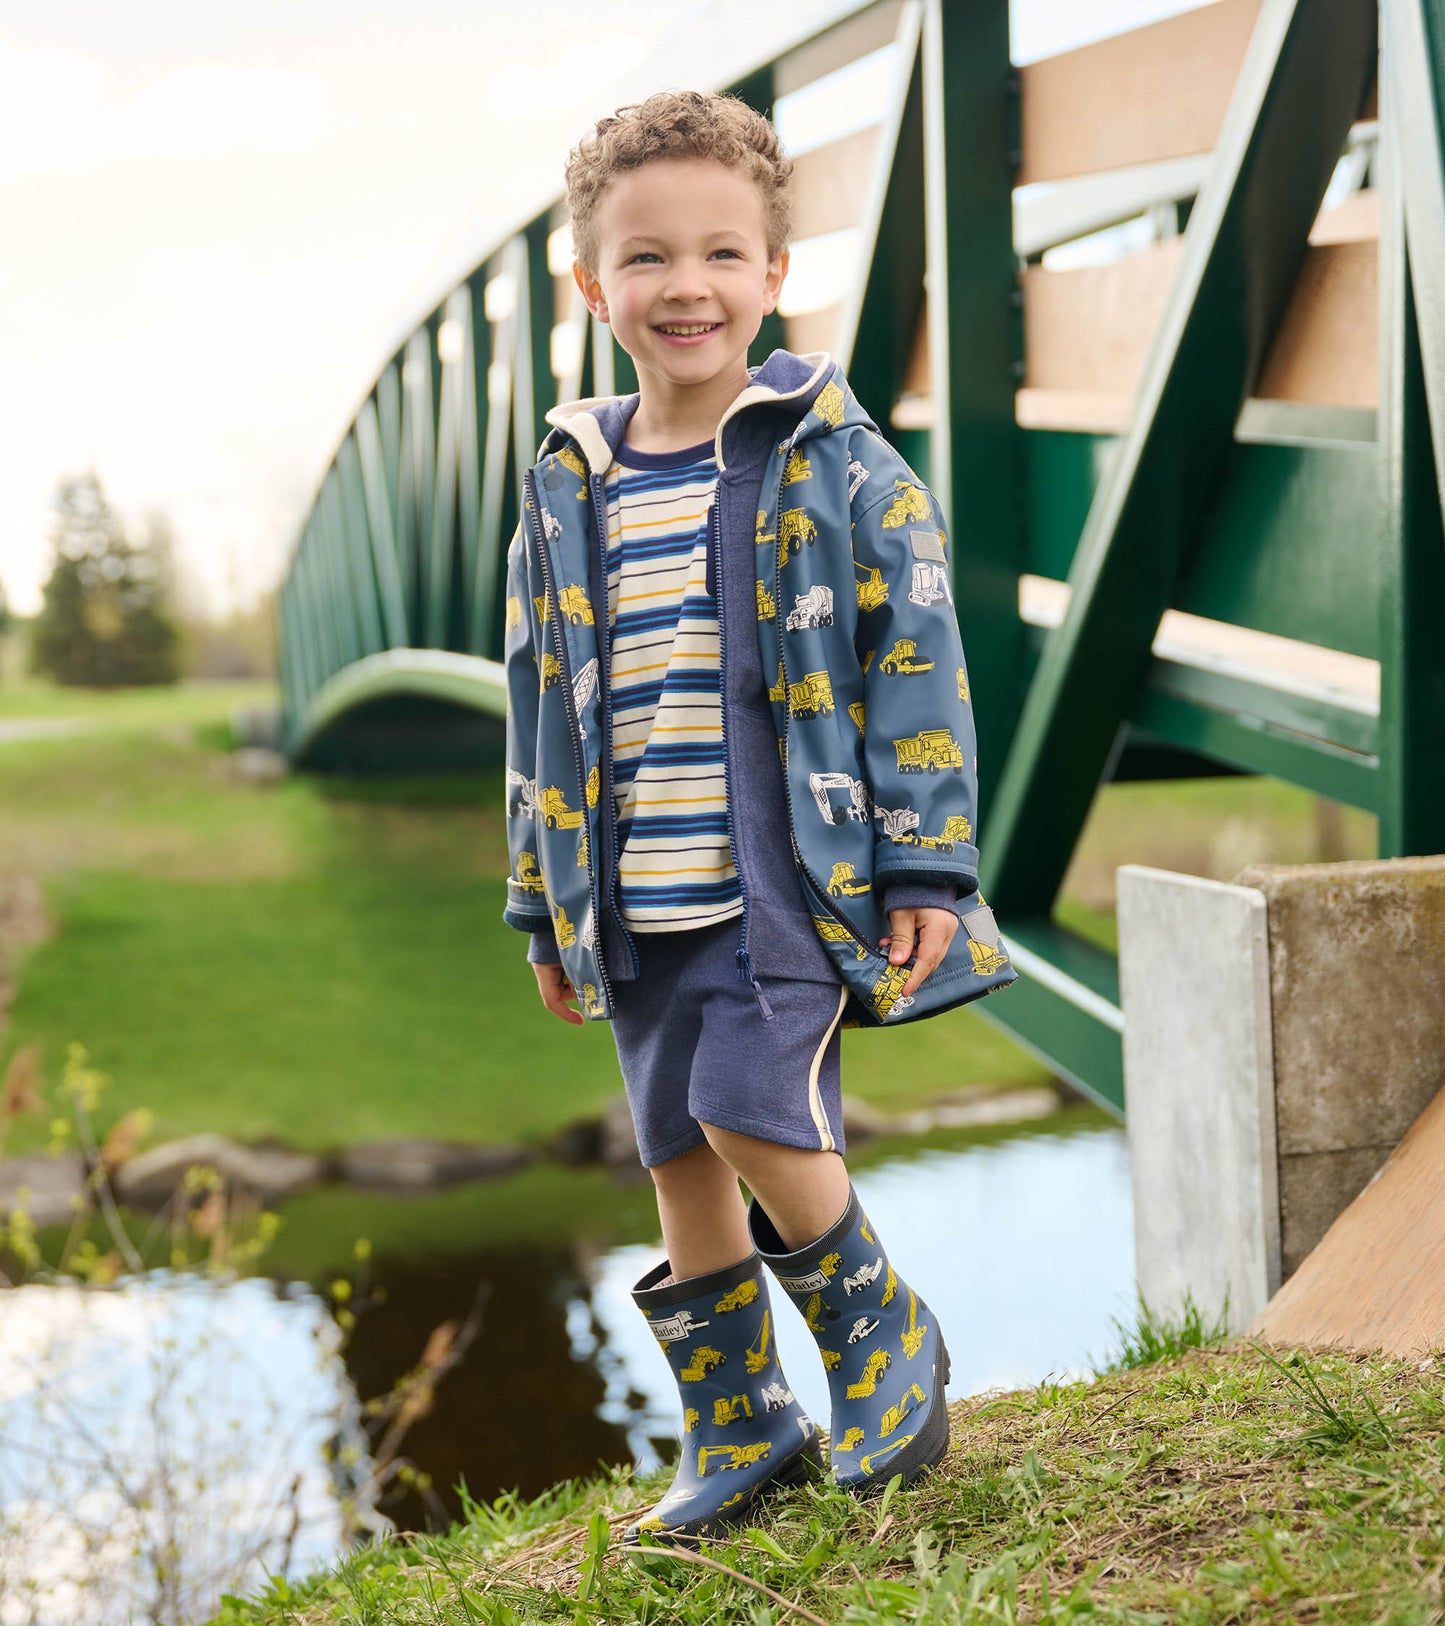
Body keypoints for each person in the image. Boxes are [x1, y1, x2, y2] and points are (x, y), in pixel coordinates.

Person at [502, 89, 1013, 1547]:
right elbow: (539, 696)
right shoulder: (567, 479)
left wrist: (925, 856)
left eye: (723, 254)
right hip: (629, 891)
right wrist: (540, 895)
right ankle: (743, 1420)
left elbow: (917, 666)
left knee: (747, 1103)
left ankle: (878, 1335)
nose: (686, 287)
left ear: (775, 277)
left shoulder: (833, 457)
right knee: (675, 1146)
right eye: (647, 259)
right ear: (593, 285)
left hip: (783, 879)